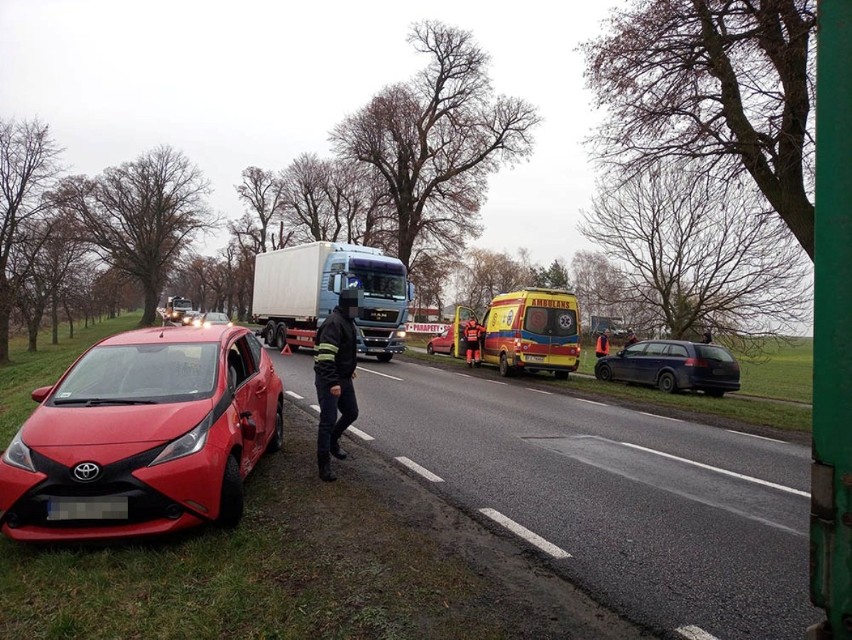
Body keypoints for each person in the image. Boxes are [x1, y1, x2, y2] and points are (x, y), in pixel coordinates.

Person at [313, 287, 361, 482]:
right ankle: (324, 465)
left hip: (344, 378)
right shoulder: (334, 323)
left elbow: (344, 351)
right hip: (329, 381)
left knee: (352, 412)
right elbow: (324, 356)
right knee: (328, 420)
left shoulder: (348, 321)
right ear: (348, 304)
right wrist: (333, 382)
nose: (359, 308)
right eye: (357, 305)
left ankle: (333, 440)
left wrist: (349, 369)